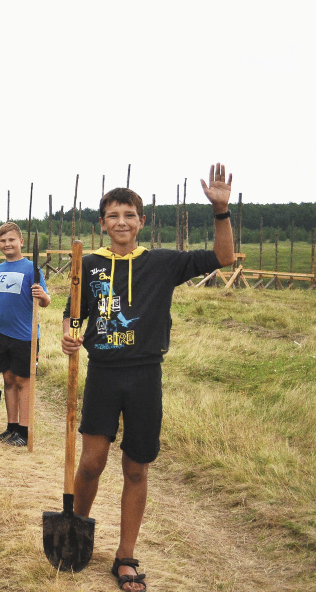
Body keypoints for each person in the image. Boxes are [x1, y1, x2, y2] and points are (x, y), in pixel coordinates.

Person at [61, 164, 235, 591]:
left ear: (142, 221)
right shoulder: (89, 263)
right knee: (91, 462)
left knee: (136, 468)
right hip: (103, 374)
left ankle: (125, 556)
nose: (122, 222)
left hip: (144, 376)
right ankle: (77, 535)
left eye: (129, 215)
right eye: (113, 215)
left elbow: (224, 258)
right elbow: (75, 315)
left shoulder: (163, 263)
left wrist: (220, 211)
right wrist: (71, 336)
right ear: (102, 223)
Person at [0, 221, 50, 446]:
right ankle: (11, 428)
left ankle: (24, 432)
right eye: (3, 241)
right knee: (8, 379)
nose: (7, 244)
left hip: (25, 336)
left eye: (11, 240)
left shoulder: (32, 269)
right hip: (3, 335)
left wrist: (41, 294)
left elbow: (46, 302)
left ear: (21, 242)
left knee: (24, 381)